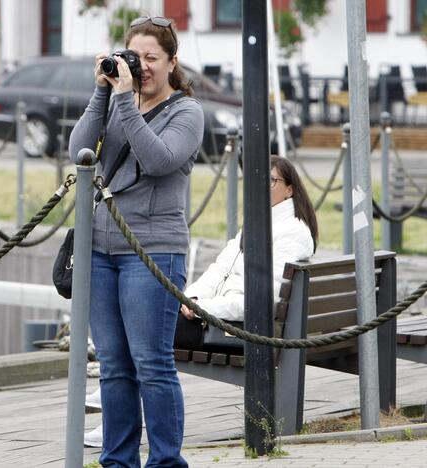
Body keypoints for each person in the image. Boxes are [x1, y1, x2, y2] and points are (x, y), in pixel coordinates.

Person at [68, 15, 204, 468]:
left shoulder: (186, 111)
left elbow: (158, 160)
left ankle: (166, 462)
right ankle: (117, 461)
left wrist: (126, 100)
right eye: (135, 57)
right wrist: (103, 90)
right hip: (101, 250)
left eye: (152, 58)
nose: (142, 67)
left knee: (152, 363)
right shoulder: (115, 101)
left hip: (152, 250)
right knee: (113, 366)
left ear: (172, 62)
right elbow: (80, 150)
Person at [180, 155, 318, 322]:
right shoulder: (258, 223)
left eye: (271, 180)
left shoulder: (293, 232)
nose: (261, 186)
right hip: (225, 313)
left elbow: (262, 300)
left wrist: (204, 307)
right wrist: (193, 297)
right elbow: (221, 268)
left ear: (289, 190)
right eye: (258, 179)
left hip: (247, 327)